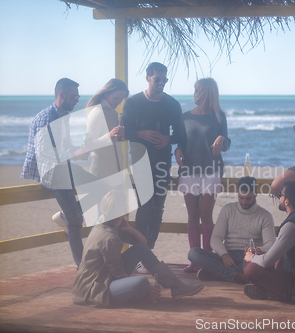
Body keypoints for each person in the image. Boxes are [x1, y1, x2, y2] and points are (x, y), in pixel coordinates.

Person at [72, 190, 204, 307]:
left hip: (102, 278)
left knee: (140, 249)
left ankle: (177, 287)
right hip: (94, 290)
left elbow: (143, 242)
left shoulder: (107, 223)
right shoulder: (109, 237)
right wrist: (147, 290)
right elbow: (119, 276)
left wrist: (129, 228)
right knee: (141, 282)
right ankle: (153, 292)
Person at [21, 78, 86, 267]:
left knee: (99, 184)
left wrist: (80, 150)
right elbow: (45, 154)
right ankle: (82, 267)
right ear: (61, 95)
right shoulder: (46, 118)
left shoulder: (63, 116)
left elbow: (63, 147)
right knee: (76, 221)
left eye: (78, 96)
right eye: (74, 96)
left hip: (62, 168)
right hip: (50, 172)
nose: (77, 100)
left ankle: (66, 215)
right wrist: (74, 153)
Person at [122, 62, 182, 252]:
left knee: (158, 208)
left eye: (164, 79)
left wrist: (168, 139)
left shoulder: (172, 104)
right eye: (158, 79)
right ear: (148, 78)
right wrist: (142, 134)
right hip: (140, 160)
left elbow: (181, 134)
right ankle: (139, 252)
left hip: (163, 161)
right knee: (144, 206)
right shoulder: (133, 103)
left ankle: (149, 250)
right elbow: (124, 133)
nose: (162, 82)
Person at [51, 79, 128, 226]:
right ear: (107, 93)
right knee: (103, 218)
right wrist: (109, 136)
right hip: (103, 172)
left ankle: (66, 216)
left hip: (116, 171)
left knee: (112, 218)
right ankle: (66, 216)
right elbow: (87, 146)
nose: (118, 102)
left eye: (121, 99)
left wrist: (119, 138)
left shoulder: (112, 112)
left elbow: (111, 144)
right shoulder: (98, 112)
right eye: (116, 98)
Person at [174, 78, 231, 272]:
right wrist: (178, 150)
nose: (195, 94)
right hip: (188, 170)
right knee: (192, 215)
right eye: (194, 90)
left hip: (211, 171)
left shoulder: (219, 117)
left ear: (207, 93)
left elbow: (227, 144)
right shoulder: (184, 117)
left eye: (198, 91)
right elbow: (181, 142)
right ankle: (194, 260)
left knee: (206, 215)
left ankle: (206, 261)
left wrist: (222, 138)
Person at [187, 177, 276, 282]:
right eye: (241, 198)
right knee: (193, 253)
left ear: (255, 194)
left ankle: (221, 274)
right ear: (237, 193)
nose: (244, 202)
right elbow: (215, 238)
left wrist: (256, 251)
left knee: (259, 264)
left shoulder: (265, 215)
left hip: (250, 257)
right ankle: (235, 275)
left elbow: (270, 243)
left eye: (248, 198)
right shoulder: (228, 209)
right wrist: (224, 255)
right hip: (227, 255)